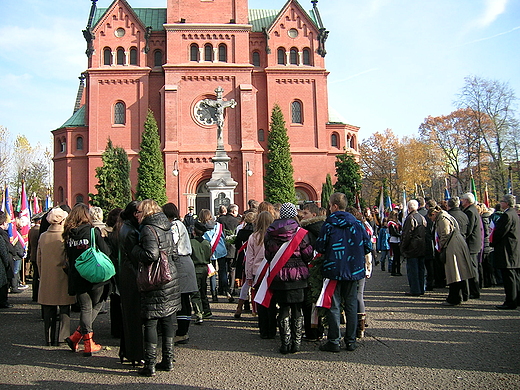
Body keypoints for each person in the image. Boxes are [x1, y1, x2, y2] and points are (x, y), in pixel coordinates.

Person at [315, 193, 371, 352]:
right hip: (354, 269)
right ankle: (351, 341)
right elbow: (367, 246)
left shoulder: (329, 225)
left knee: (334, 305)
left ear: (334, 206)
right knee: (351, 305)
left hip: (334, 269)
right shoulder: (358, 224)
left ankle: (334, 341)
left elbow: (319, 247)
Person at [131, 199, 181, 376]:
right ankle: (168, 360)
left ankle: (150, 364)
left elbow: (150, 255)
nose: (136, 215)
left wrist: (135, 250)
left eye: (138, 212)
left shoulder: (147, 228)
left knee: (151, 321)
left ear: (145, 212)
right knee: (167, 320)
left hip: (156, 279)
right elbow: (174, 251)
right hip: (170, 277)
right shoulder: (167, 225)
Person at [262, 203, 313, 354]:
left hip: (279, 277)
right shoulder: (301, 233)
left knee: (283, 308)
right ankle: (296, 344)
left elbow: (268, 256)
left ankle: (285, 343)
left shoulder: (270, 232)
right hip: (298, 276)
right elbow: (308, 255)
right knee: (297, 309)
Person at [63, 203, 112, 357]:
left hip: (77, 275)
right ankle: (87, 343)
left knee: (85, 307)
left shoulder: (68, 234)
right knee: (97, 303)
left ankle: (77, 337)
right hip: (94, 275)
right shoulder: (92, 231)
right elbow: (106, 251)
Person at [37, 208, 75, 346]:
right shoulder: (66, 237)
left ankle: (48, 337)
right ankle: (62, 337)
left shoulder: (43, 237)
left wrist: (43, 274)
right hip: (63, 276)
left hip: (47, 277)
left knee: (48, 310)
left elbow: (39, 259)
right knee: (65, 310)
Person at [162, 202, 198, 345]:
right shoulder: (179, 224)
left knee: (183, 299)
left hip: (181, 263)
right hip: (183, 262)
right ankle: (182, 332)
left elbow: (172, 242)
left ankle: (182, 333)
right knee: (183, 299)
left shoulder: (174, 226)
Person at [114, 201, 144, 366]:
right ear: (134, 214)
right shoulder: (132, 231)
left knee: (128, 316)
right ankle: (135, 353)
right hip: (132, 276)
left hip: (125, 274)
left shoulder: (123, 227)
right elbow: (135, 256)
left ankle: (126, 351)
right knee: (134, 317)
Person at [427, 206, 474, 306]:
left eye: (431, 218)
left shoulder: (443, 219)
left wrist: (441, 246)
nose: (432, 220)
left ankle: (454, 297)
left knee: (454, 272)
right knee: (457, 272)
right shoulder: (445, 216)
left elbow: (445, 234)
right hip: (455, 244)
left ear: (434, 214)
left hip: (453, 246)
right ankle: (460, 295)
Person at [299, 202, 326, 341]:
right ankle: (320, 330)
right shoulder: (325, 228)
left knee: (308, 302)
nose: (302, 216)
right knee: (319, 299)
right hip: (321, 269)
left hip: (308, 267)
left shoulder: (306, 231)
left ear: (313, 215)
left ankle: (310, 332)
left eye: (305, 213)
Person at [491, 194, 520, 310]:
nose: (500, 203)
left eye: (502, 201)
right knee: (514, 276)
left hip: (508, 250)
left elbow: (500, 232)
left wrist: (493, 242)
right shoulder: (513, 214)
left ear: (507, 203)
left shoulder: (507, 215)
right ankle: (516, 299)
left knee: (509, 277)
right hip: (513, 249)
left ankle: (510, 301)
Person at [198, 209, 227, 303]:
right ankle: (226, 291)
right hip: (221, 250)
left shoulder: (201, 227)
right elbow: (222, 236)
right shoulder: (218, 225)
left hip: (209, 251)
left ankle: (214, 294)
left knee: (212, 274)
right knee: (223, 271)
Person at [401, 199, 427, 297]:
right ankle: (421, 288)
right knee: (421, 269)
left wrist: (403, 247)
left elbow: (407, 234)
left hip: (412, 247)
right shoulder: (421, 217)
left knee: (413, 270)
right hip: (421, 246)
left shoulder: (410, 218)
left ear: (408, 208)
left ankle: (415, 289)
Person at [233, 211, 256, 318]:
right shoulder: (256, 233)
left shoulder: (241, 232)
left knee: (245, 283)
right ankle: (255, 308)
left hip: (243, 258)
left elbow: (238, 245)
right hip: (254, 259)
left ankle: (240, 307)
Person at [460, 193, 482, 299]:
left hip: (472, 243)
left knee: (472, 268)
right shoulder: (472, 210)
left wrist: (463, 237)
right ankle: (473, 290)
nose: (461, 201)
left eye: (463, 200)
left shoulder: (470, 211)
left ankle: (474, 290)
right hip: (473, 243)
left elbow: (469, 228)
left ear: (467, 201)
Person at [190, 221, 212, 324]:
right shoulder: (206, 243)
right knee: (203, 290)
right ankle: (207, 310)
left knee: (195, 292)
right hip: (204, 268)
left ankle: (199, 314)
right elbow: (209, 256)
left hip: (195, 268)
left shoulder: (191, 243)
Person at [0, 211, 13, 309]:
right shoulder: (2, 235)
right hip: (1, 265)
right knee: (3, 285)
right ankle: (3, 302)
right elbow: (4, 251)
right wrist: (7, 263)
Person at [388, 210, 402, 275]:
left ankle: (398, 270)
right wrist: (400, 235)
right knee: (395, 256)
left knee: (398, 256)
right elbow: (393, 232)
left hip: (398, 240)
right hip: (394, 240)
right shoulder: (391, 223)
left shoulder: (397, 223)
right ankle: (393, 270)